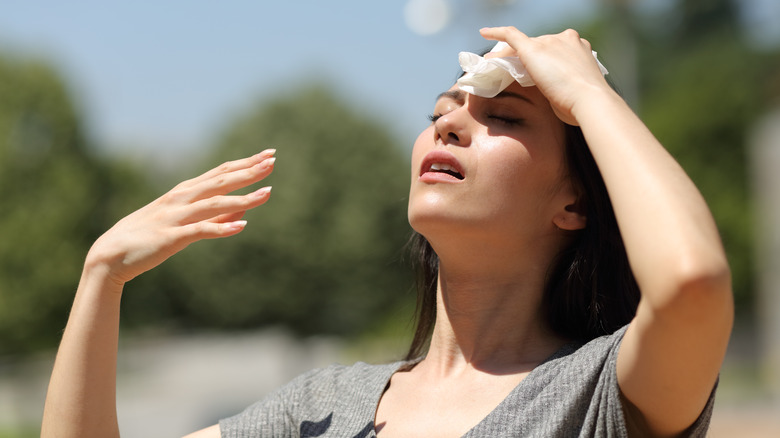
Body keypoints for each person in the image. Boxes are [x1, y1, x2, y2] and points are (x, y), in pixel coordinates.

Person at [41, 27, 733, 438]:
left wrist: (587, 90)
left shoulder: (601, 395)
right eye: (442, 109)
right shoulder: (321, 409)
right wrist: (103, 276)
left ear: (575, 203)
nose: (451, 123)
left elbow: (690, 282)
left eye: (508, 118)